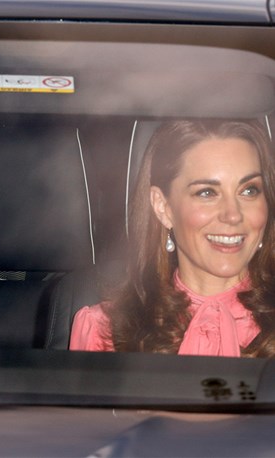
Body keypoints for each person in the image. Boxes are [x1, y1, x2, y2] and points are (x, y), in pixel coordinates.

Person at [70, 119, 275, 357]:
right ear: (163, 207)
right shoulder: (103, 332)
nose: (233, 215)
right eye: (207, 192)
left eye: (249, 190)